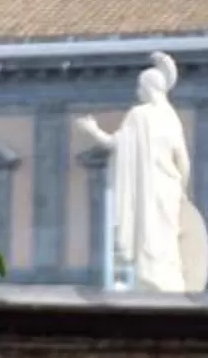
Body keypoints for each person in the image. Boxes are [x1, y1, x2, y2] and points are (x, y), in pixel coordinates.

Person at [76, 53, 194, 294]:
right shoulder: (171, 118)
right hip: (169, 188)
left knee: (150, 235)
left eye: (140, 87)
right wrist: (181, 190)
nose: (138, 92)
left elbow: (114, 144)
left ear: (149, 88)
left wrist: (93, 130)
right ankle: (166, 279)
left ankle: (153, 278)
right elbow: (184, 161)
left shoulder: (139, 115)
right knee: (166, 237)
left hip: (149, 190)